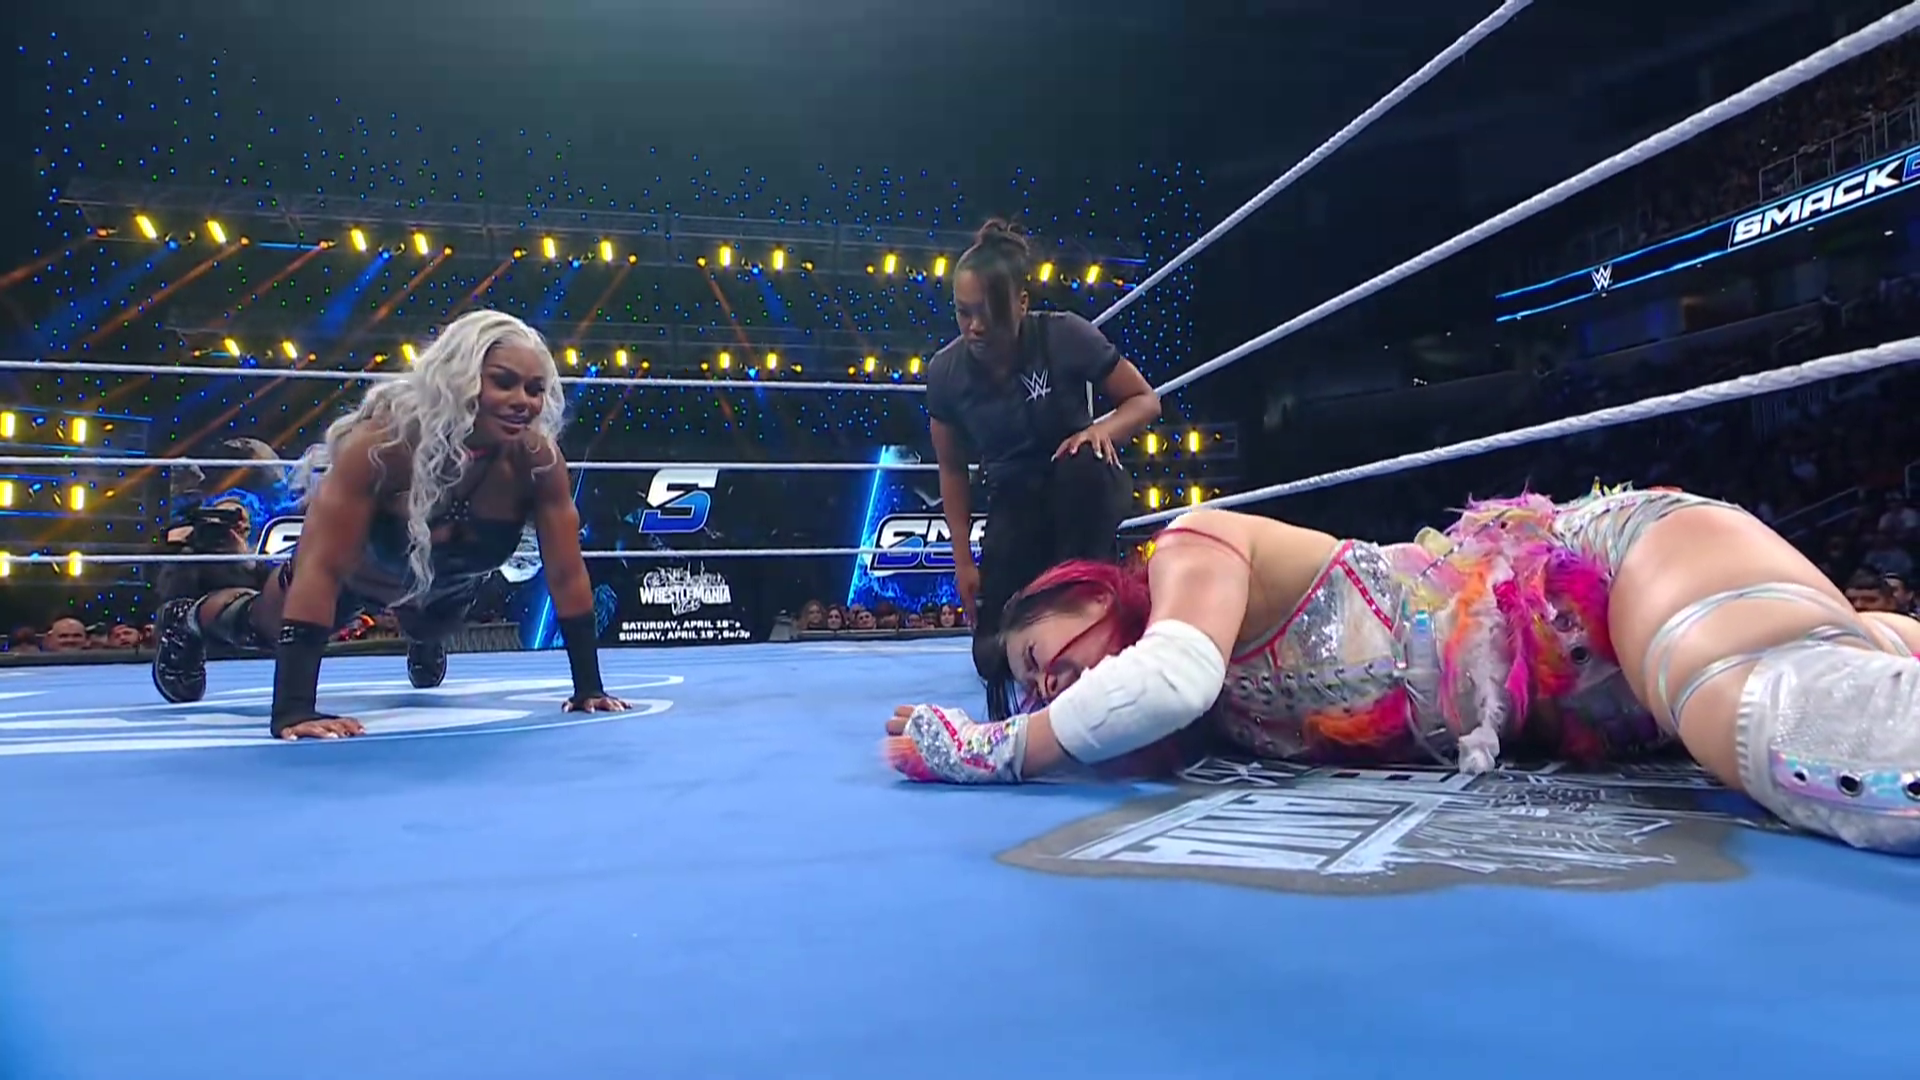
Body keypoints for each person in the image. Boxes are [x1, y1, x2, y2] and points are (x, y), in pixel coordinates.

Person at [883, 485, 1920, 855]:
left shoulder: (1192, 550)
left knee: (1787, 735)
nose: (1053, 691)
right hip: (1620, 702)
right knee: (1825, 662)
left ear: (1087, 591)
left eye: (1043, 659)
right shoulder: (1218, 721)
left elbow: (1167, 677)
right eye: (1036, 694)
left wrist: (996, 748)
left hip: (1612, 573)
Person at [151, 309, 629, 739]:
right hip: (357, 576)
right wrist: (295, 709)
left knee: (434, 620)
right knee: (266, 626)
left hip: (448, 591)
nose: (523, 401)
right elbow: (321, 568)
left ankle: (422, 635)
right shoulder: (383, 447)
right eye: (503, 382)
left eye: (535, 389)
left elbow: (565, 572)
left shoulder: (537, 462)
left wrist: (589, 688)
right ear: (460, 379)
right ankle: (187, 619)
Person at [924, 219, 1162, 678]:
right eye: (963, 312)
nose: (975, 327)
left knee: (1083, 465)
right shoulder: (945, 373)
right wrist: (963, 562)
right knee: (992, 658)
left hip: (1078, 488)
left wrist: (1102, 431)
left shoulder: (1063, 335)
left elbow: (1144, 400)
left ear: (1021, 303)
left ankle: (1091, 600)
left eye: (988, 313)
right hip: (1014, 504)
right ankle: (1057, 611)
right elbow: (951, 469)